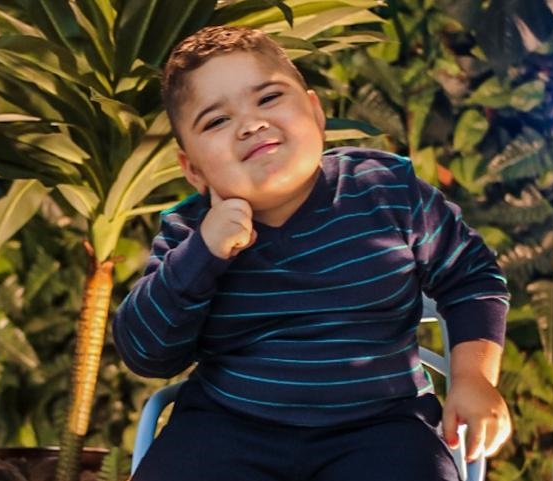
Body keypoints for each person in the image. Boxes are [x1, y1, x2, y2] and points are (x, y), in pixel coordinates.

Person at [113, 25, 512, 481]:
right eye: (216, 121)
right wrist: (203, 253)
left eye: (268, 98)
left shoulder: (387, 191)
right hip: (228, 424)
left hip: (381, 427)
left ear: (316, 112)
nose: (251, 124)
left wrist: (474, 378)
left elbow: (471, 277)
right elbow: (146, 354)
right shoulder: (189, 232)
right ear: (193, 169)